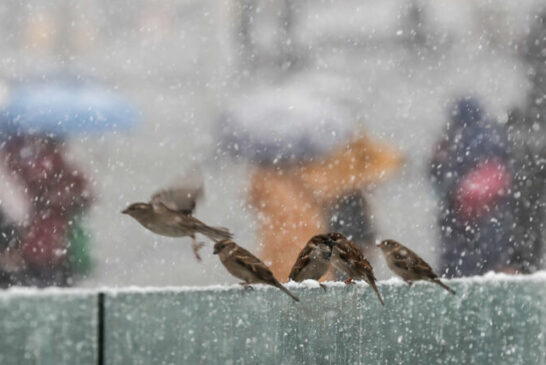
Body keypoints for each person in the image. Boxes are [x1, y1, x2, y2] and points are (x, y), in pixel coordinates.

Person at [430, 97, 518, 277]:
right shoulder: (492, 137)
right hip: (490, 219)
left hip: (460, 222)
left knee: (458, 268)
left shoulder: (457, 140)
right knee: (487, 266)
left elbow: (441, 175)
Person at [0, 134, 93, 287]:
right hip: (50, 245)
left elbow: (18, 208)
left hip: (38, 245)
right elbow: (85, 196)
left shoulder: (15, 161)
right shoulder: (59, 165)